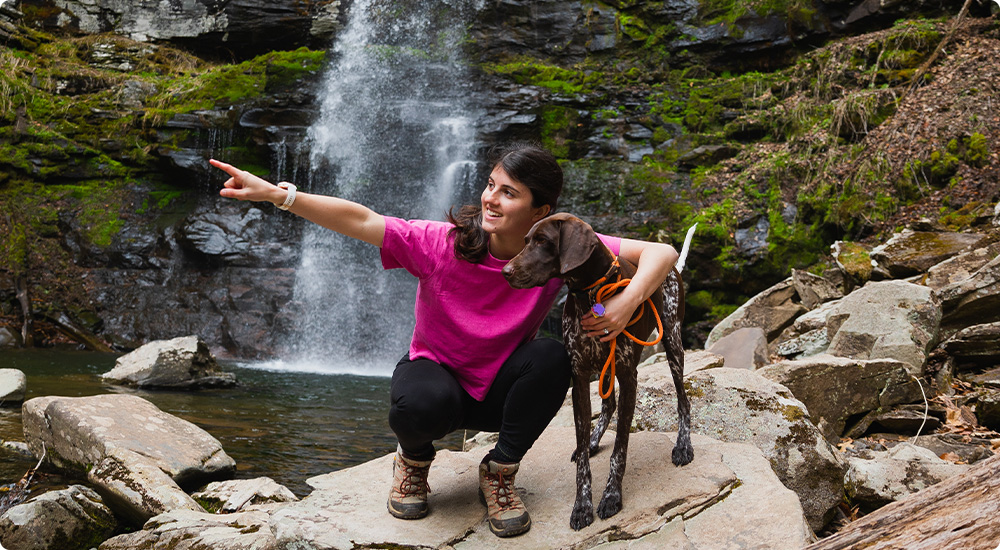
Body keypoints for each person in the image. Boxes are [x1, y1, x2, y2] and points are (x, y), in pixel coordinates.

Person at [210, 143, 679, 538]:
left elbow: (663, 252)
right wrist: (278, 194)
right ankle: (413, 462)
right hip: (436, 379)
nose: (492, 199)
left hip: (499, 390)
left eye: (509, 192)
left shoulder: (560, 248)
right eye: (491, 185)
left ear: (541, 212)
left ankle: (499, 472)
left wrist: (625, 301)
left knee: (552, 356)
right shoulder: (443, 243)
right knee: (418, 404)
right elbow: (362, 220)